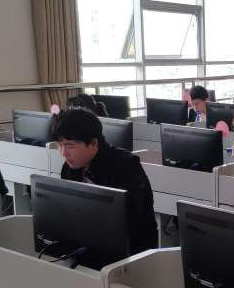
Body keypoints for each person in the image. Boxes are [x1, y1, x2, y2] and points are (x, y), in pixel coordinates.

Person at [51, 108, 157, 255]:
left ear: (93, 143)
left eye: (69, 145)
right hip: (89, 242)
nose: (63, 153)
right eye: (60, 145)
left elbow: (132, 220)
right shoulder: (69, 168)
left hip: (131, 251)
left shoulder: (126, 166)